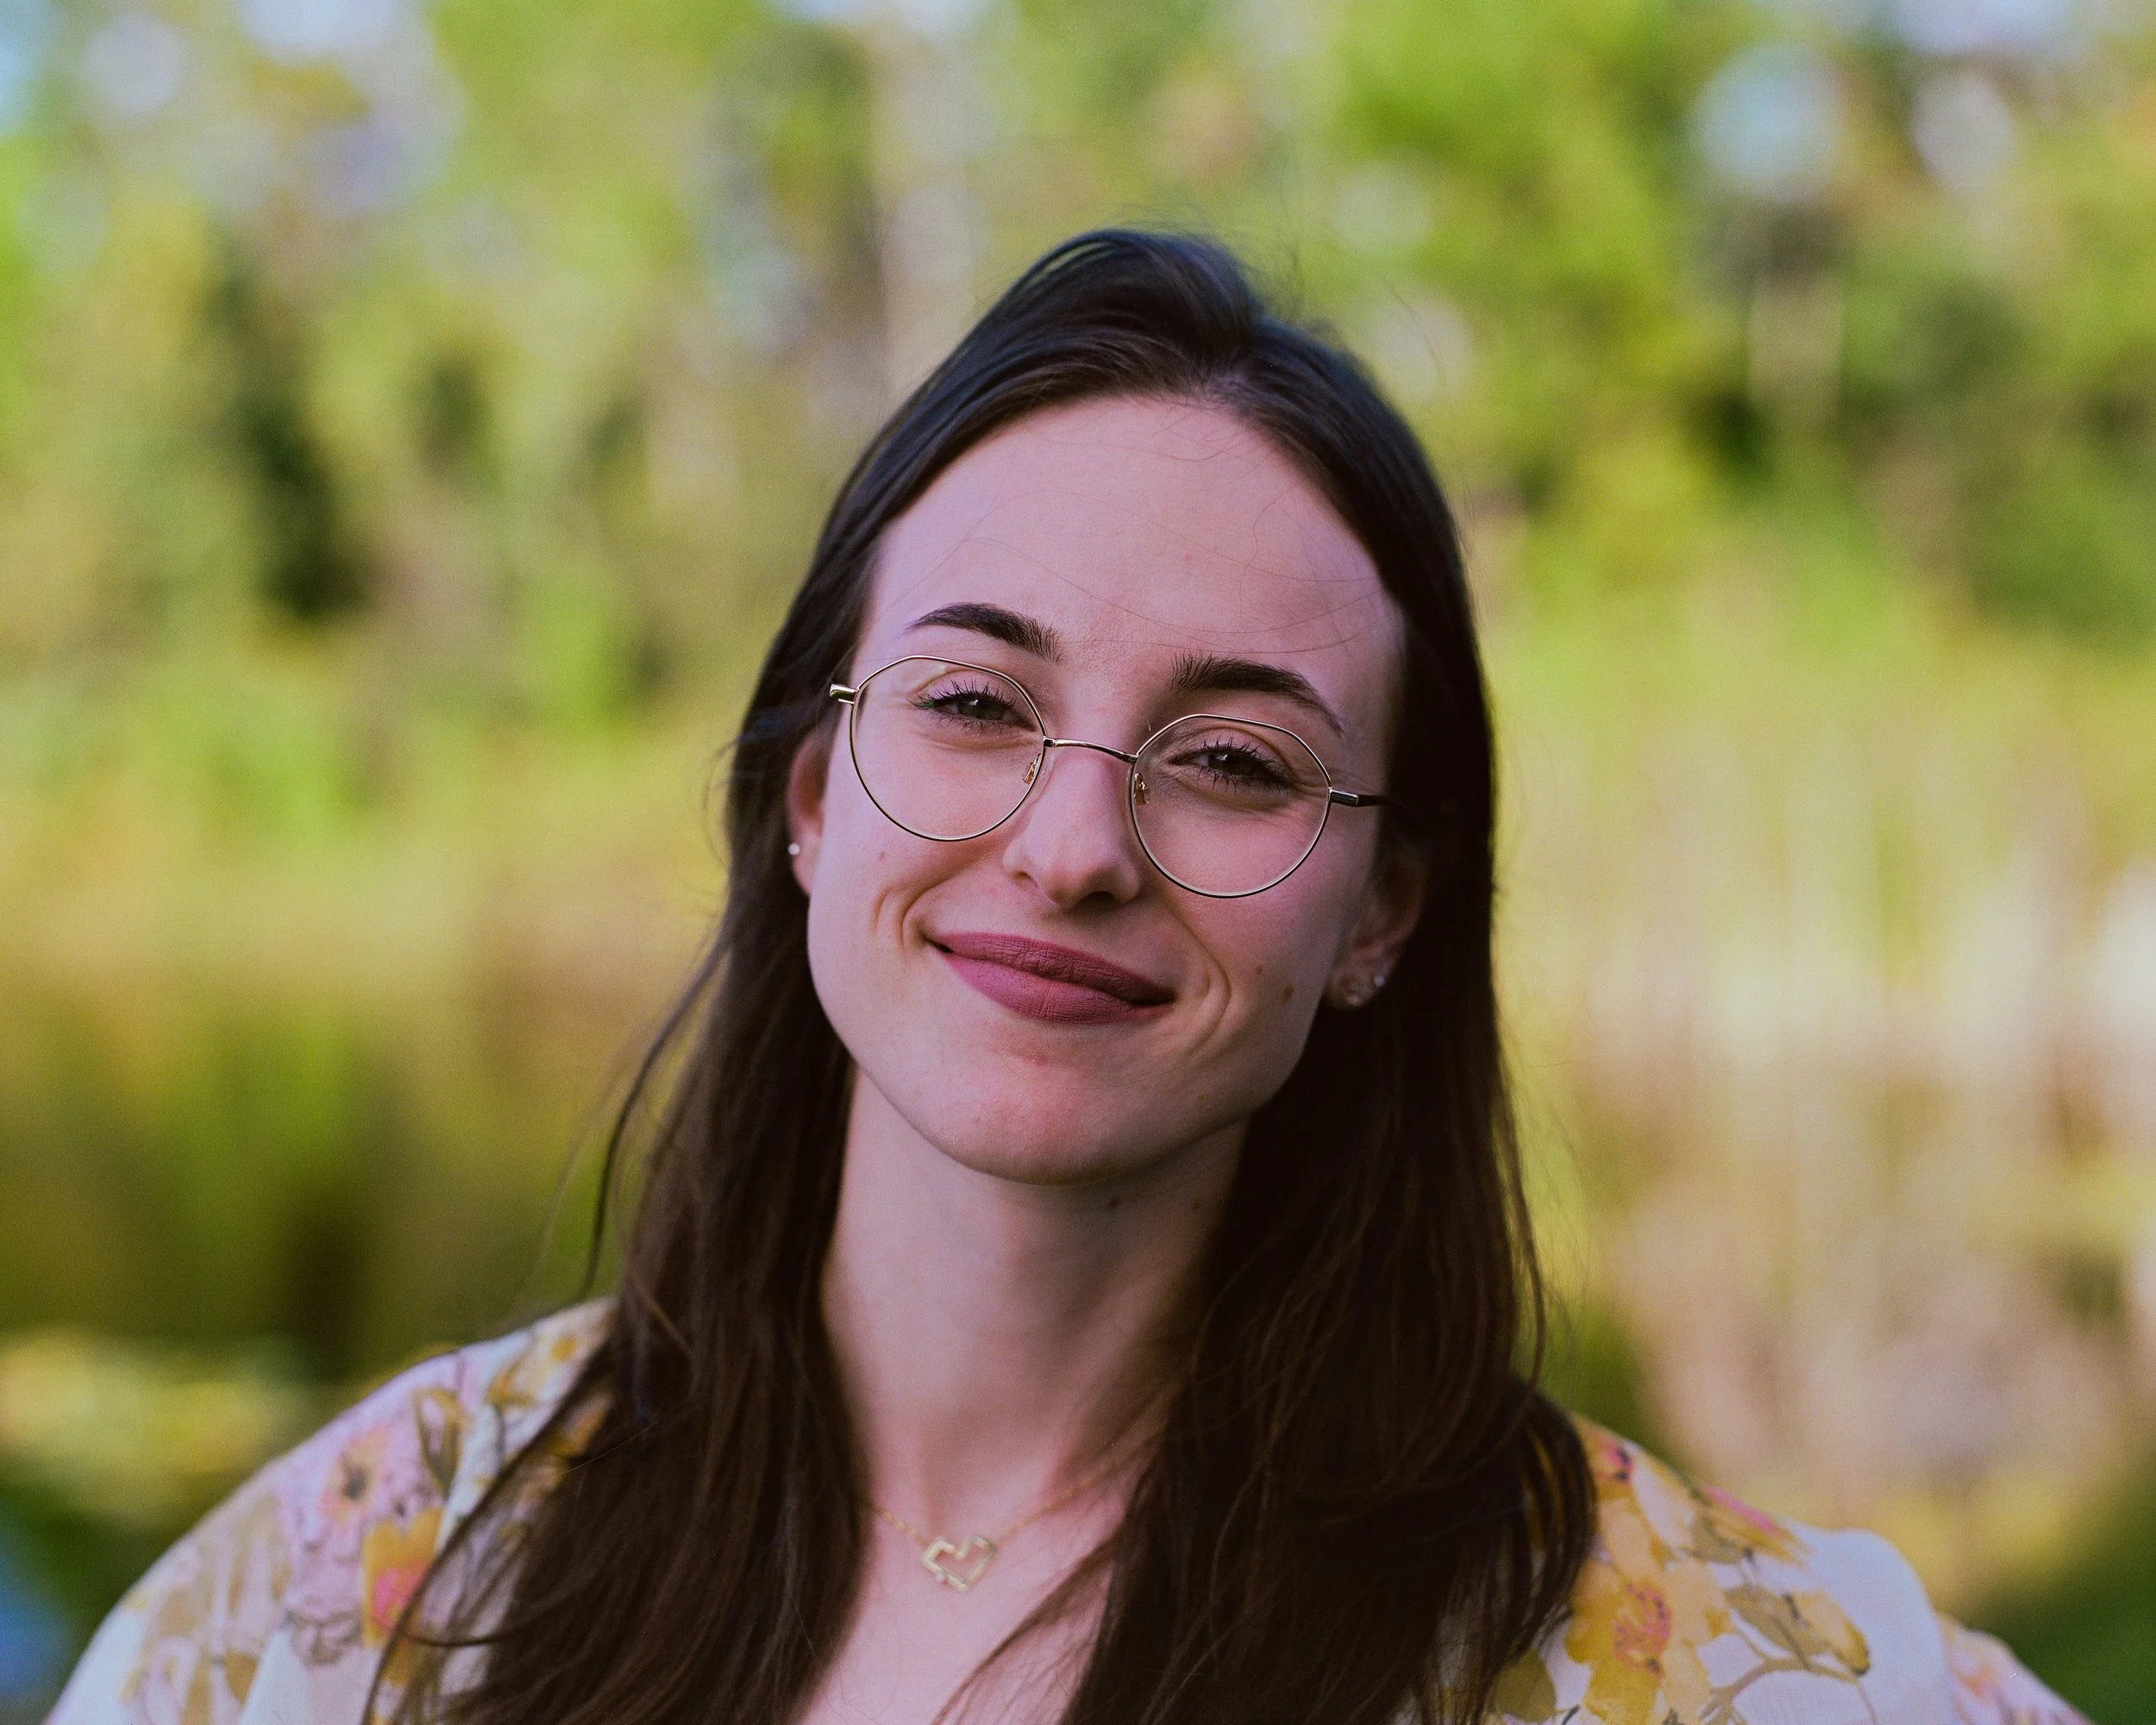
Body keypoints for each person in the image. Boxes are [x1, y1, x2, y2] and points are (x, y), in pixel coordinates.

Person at [47, 231, 2084, 1725]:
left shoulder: (1701, 1669)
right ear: (807, 801)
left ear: (1378, 912)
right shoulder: (361, 1588)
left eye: (1231, 760)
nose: (1069, 845)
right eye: (968, 699)